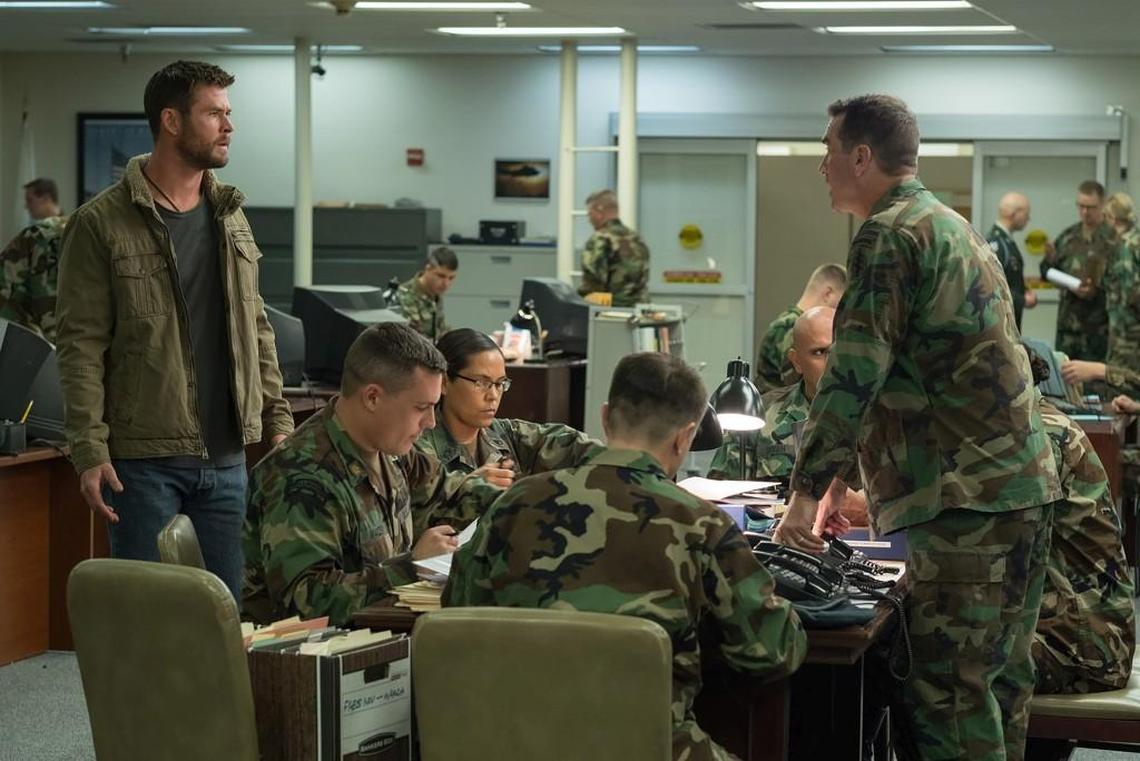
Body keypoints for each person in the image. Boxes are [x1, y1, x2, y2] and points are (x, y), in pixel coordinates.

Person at [775, 94, 1060, 761]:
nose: (822, 165)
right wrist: (853, 483)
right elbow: (925, 371)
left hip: (964, 504)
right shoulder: (953, 228)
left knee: (948, 699)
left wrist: (803, 495)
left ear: (862, 157)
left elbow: (853, 376)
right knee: (996, 690)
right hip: (1017, 491)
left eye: (827, 150)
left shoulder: (889, 234)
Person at [445, 352, 807, 761]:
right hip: (647, 744)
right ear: (685, 437)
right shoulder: (702, 525)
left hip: (511, 741)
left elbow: (458, 612)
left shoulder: (514, 503)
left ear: (604, 417)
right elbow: (770, 652)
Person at [54, 60, 294, 602]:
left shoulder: (230, 214)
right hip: (144, 463)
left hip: (227, 457)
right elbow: (81, 345)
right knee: (152, 619)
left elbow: (256, 326)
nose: (228, 125)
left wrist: (277, 418)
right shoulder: (100, 223)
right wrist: (89, 449)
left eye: (228, 113)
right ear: (171, 121)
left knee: (226, 617)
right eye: (213, 113)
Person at [243, 323, 502, 626]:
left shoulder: (390, 451)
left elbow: (453, 494)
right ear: (373, 398)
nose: (431, 422)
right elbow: (307, 603)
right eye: (422, 407)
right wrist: (411, 566)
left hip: (379, 640)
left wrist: (528, 504)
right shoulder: (302, 477)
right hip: (306, 660)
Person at [1023, 347, 1135, 695]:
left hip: (1083, 647)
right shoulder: (1029, 421)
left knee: (931, 660)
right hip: (1073, 630)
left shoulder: (1034, 436)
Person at [414, 328, 602, 488]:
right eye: (481, 383)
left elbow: (569, 444)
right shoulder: (416, 447)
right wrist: (468, 487)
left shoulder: (506, 435)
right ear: (445, 382)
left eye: (500, 384)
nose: (493, 396)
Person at [710, 305, 835, 480]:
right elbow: (721, 492)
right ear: (797, 361)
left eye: (839, 351)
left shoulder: (877, 416)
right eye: (820, 352)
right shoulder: (759, 416)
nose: (833, 363)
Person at [1060, 192, 1140, 393]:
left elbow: (1129, 295)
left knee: (1124, 388)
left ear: (1111, 218)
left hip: (1127, 334)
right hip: (1126, 330)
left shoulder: (1126, 248)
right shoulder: (1134, 241)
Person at [1041, 180, 1116, 362]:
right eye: (1081, 206)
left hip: (1099, 330)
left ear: (1103, 205)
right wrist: (1050, 263)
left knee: (1096, 387)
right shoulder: (1068, 237)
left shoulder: (1114, 239)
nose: (1085, 212)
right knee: (1066, 382)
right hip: (1068, 328)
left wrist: (1095, 289)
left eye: (1090, 207)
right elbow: (1046, 271)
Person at [754, 264, 846, 392]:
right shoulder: (790, 328)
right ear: (828, 293)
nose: (843, 309)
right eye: (842, 301)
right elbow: (799, 385)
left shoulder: (785, 324)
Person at [0, 179, 68, 341]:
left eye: (30, 200)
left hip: (38, 341)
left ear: (46, 198)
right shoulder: (75, 231)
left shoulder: (36, 237)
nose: (26, 206)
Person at [577, 189, 649, 307]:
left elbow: (592, 285)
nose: (589, 220)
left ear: (599, 210)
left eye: (590, 214)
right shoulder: (637, 238)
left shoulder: (600, 239)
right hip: (639, 311)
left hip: (611, 314)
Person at [986, 191, 1038, 330]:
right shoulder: (996, 243)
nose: (1028, 218)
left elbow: (1009, 278)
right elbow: (991, 286)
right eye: (1026, 213)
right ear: (1015, 213)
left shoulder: (1006, 241)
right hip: (1000, 325)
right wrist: (1022, 300)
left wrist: (1024, 290)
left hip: (1010, 322)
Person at [395, 246, 458, 341]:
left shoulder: (434, 294)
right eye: (441, 276)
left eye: (451, 278)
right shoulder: (405, 295)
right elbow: (412, 340)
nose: (446, 284)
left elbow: (440, 330)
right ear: (428, 269)